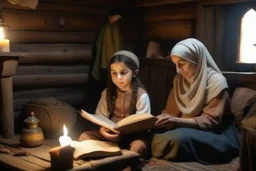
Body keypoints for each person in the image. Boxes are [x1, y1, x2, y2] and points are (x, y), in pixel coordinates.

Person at [151, 38, 240, 164]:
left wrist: (176, 121)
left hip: (214, 131)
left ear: (196, 60)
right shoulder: (179, 80)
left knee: (178, 139)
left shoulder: (216, 82)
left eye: (182, 63)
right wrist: (160, 119)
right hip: (182, 125)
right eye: (175, 64)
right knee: (150, 132)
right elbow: (171, 110)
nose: (178, 70)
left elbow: (210, 121)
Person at [79, 50, 151, 158]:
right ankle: (108, 154)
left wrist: (125, 132)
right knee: (84, 136)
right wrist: (103, 130)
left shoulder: (141, 95)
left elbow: (142, 123)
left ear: (134, 73)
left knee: (138, 147)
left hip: (132, 136)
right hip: (110, 134)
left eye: (123, 72)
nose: (118, 78)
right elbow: (100, 116)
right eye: (114, 73)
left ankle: (121, 158)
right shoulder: (107, 93)